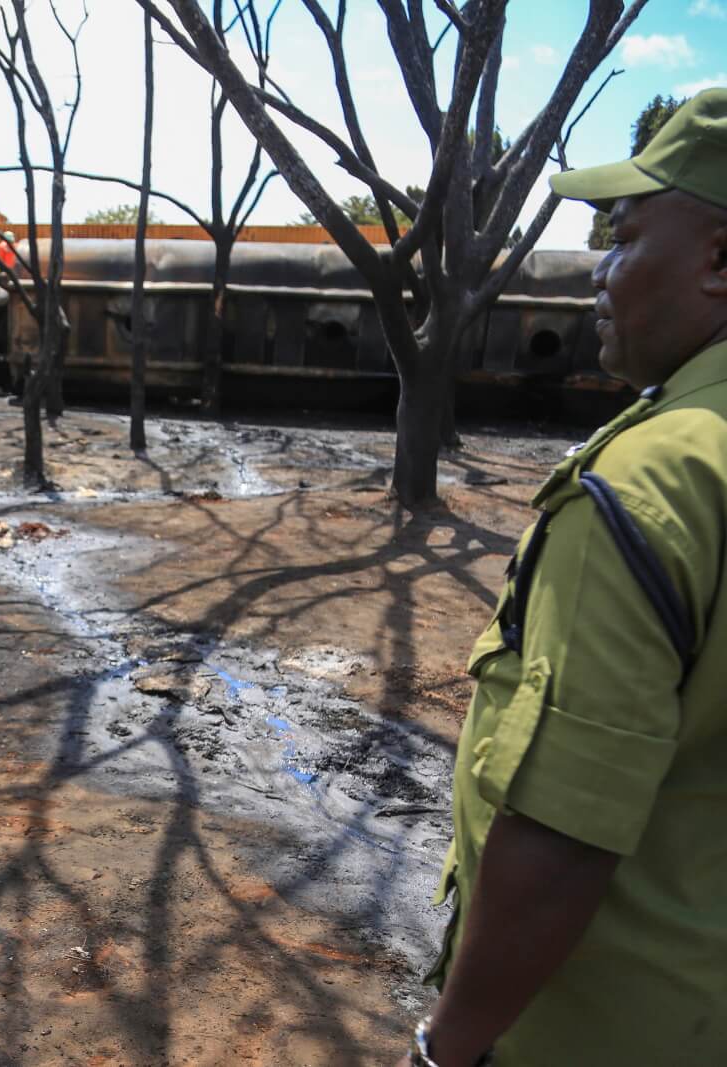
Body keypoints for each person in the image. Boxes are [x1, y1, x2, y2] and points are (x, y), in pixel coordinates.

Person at [408, 88, 727, 1067]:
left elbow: (560, 835)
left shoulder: (649, 481)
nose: (600, 273)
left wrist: (447, 1046)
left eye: (624, 238)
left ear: (718, 257)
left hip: (607, 1029)